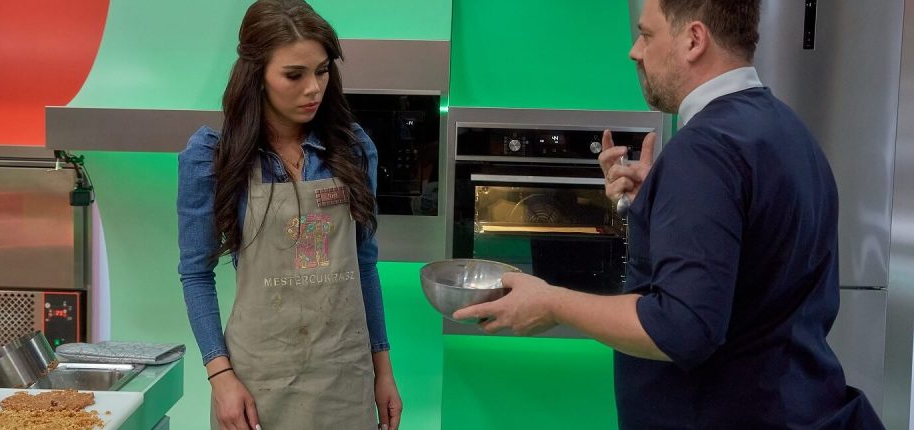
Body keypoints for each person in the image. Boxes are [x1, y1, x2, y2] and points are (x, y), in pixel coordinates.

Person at [453, 0, 884, 428]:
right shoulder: (787, 130)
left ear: (694, 39)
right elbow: (753, 264)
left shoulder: (705, 149)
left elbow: (682, 328)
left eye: (646, 34)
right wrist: (660, 202)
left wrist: (553, 303)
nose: (634, 51)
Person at [177, 1, 402, 429]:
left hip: (344, 377)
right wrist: (221, 377)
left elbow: (364, 267)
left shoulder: (353, 150)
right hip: (257, 383)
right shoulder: (213, 159)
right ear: (257, 75)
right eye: (294, 75)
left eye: (322, 70)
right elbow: (196, 275)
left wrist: (384, 372)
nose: (314, 88)